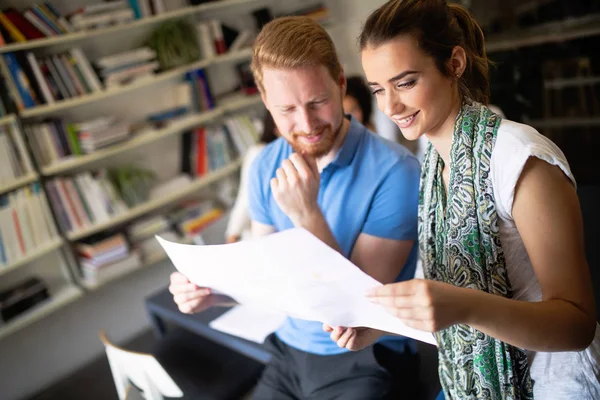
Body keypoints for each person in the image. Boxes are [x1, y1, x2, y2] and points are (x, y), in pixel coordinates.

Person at [326, 1, 600, 399]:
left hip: (556, 382)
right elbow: (441, 296)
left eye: (405, 83)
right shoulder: (434, 166)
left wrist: (466, 307)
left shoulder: (520, 158)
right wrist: (377, 325)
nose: (390, 106)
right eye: (379, 90)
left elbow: (576, 325)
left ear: (454, 63)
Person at [169, 16, 423, 399]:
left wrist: (307, 215)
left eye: (317, 102)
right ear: (265, 101)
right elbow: (270, 280)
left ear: (340, 83)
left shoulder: (397, 173)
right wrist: (213, 294)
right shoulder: (263, 165)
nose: (306, 124)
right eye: (287, 109)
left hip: (368, 356)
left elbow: (356, 310)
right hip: (289, 350)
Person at [225, 112, 278, 243]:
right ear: (275, 128)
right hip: (260, 237)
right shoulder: (260, 153)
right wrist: (233, 233)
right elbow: (246, 197)